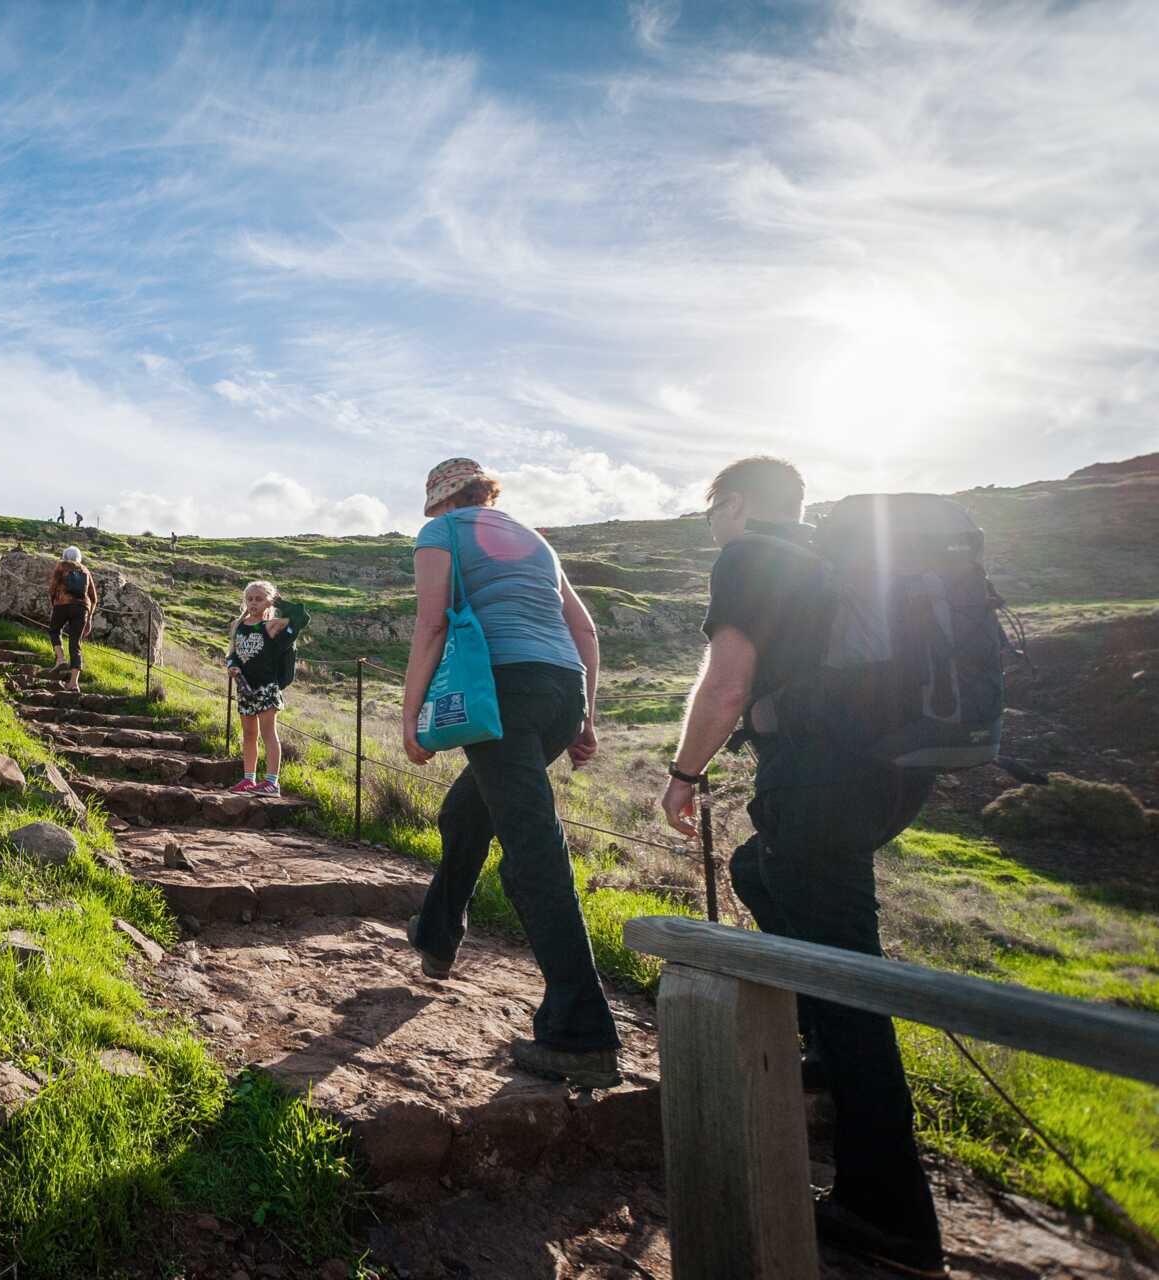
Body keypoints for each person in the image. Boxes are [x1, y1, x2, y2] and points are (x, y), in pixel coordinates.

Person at [659, 456, 944, 1277]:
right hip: (884, 776)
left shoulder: (747, 556)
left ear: (738, 504)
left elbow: (725, 685)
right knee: (758, 869)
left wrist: (681, 779)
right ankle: (819, 1041)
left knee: (851, 981)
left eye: (713, 509)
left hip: (819, 782)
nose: (711, 523)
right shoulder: (826, 557)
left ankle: (888, 1212)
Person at [400, 457, 616, 1087]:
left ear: (439, 502)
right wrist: (586, 719)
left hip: (502, 693)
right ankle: (437, 935)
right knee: (465, 810)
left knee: (532, 850)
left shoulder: (440, 534)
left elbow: (432, 622)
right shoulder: (535, 539)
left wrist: (410, 716)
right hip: (561, 690)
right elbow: (584, 627)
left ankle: (581, 1032)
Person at [223, 580, 296, 796]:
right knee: (248, 734)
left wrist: (279, 600)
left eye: (259, 599)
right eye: (250, 599)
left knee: (268, 733)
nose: (253, 603)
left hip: (267, 688)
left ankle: (272, 782)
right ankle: (249, 779)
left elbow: (302, 617)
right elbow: (233, 654)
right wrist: (232, 666)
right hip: (245, 688)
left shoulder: (272, 626)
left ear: (269, 602)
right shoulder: (239, 626)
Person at [48, 546, 97, 692]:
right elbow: (94, 598)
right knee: (75, 645)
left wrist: (53, 603)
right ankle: (73, 684)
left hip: (62, 604)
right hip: (82, 609)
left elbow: (52, 588)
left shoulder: (61, 566)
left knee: (55, 630)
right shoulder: (85, 570)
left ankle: (61, 659)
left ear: (65, 555)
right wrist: (89, 618)